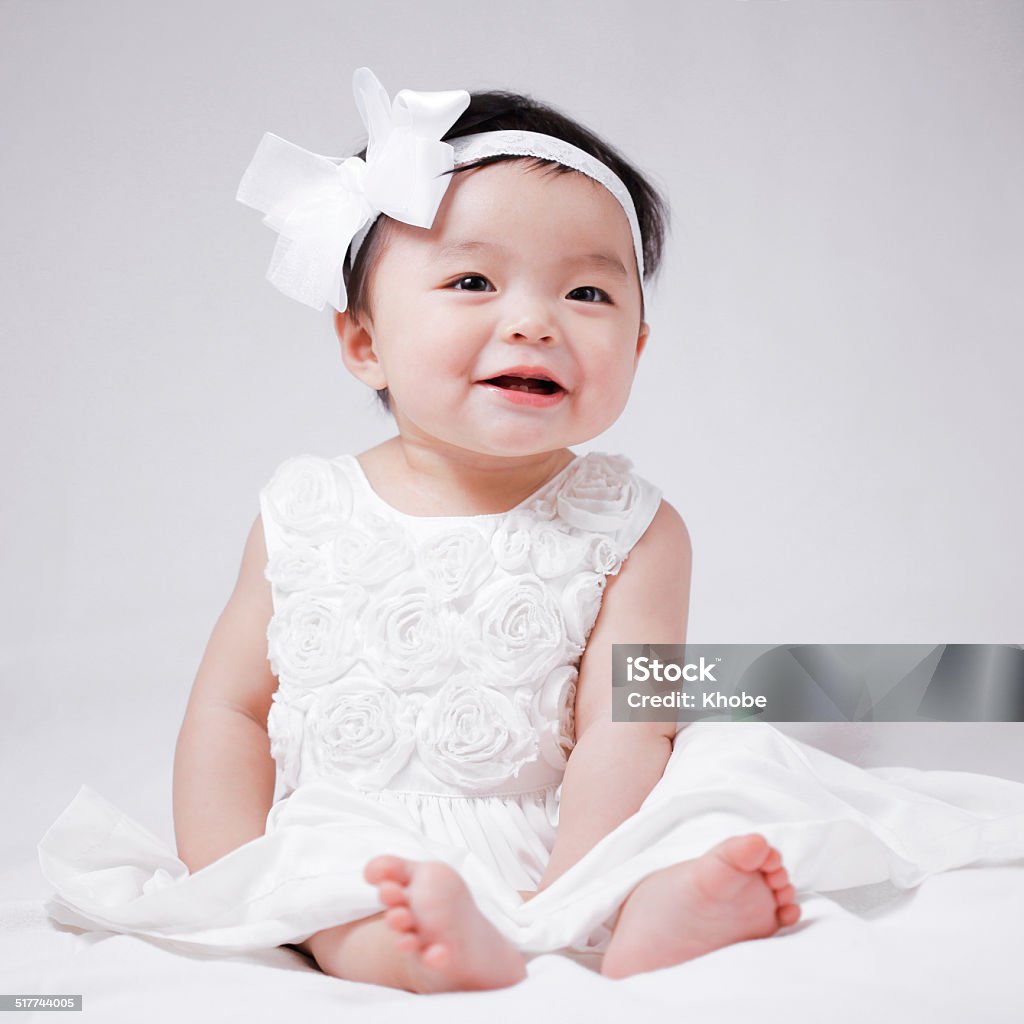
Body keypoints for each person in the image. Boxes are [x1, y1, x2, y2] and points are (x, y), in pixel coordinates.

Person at [38, 68, 1024, 995]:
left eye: (587, 291)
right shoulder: (302, 511)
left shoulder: (633, 528)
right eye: (473, 282)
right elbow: (229, 713)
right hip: (360, 831)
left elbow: (619, 729)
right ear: (363, 341)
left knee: (722, 765)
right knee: (328, 875)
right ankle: (407, 946)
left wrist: (566, 887)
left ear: (636, 345)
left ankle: (635, 912)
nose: (534, 321)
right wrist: (234, 882)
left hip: (563, 826)